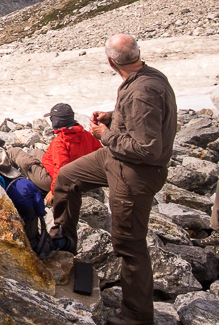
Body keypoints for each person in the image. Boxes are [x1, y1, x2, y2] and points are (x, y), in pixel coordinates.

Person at [50, 34, 176, 325]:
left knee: (129, 244)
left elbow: (147, 148)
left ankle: (136, 315)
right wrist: (112, 115)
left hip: (135, 171)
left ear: (109, 60)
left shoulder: (143, 90)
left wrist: (104, 135)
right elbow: (140, 119)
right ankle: (64, 244)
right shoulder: (146, 77)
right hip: (117, 159)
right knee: (68, 177)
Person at [4, 103, 102, 203]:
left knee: (14, 153)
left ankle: (6, 182)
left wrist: (54, 191)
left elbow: (61, 170)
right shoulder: (86, 135)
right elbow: (101, 155)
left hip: (51, 181)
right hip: (80, 178)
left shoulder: (60, 142)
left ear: (55, 121)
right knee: (35, 152)